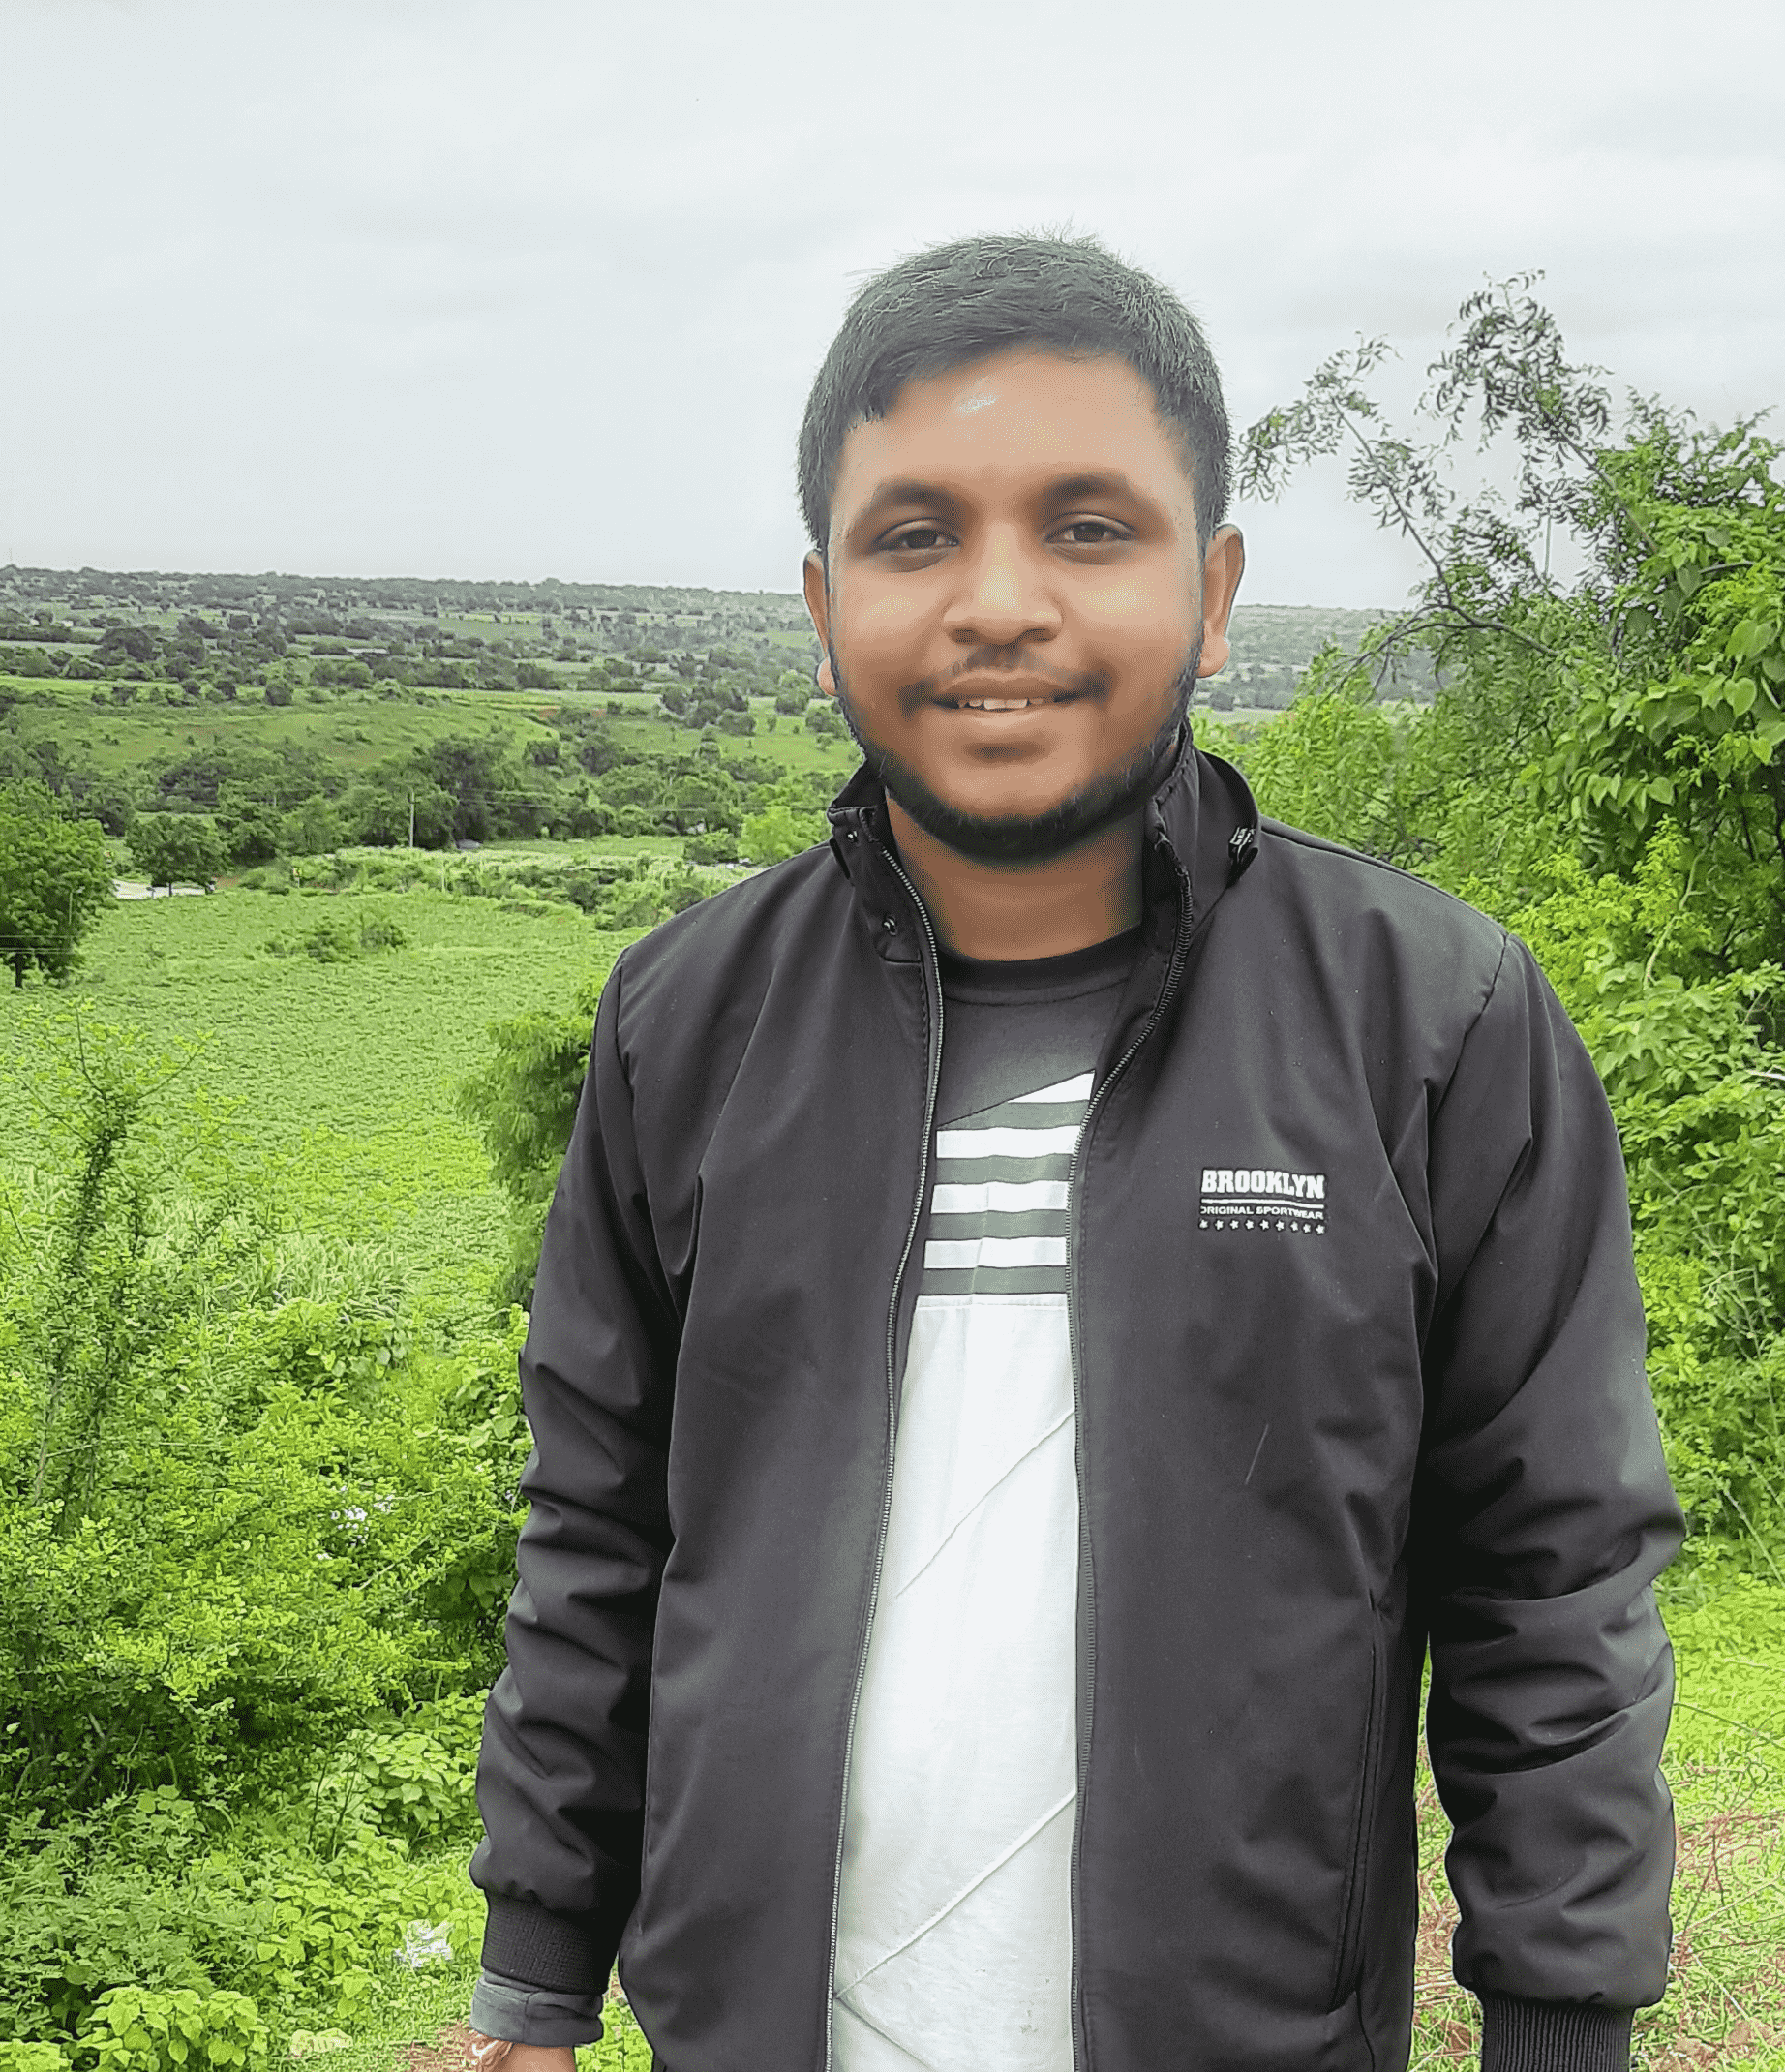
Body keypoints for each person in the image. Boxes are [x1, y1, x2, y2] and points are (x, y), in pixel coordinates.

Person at [465, 235, 1681, 2072]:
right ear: (822, 606)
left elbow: (1552, 1577)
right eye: (915, 536)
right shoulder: (682, 1024)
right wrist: (536, 1972)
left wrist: (1562, 2024)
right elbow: (600, 1531)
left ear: (1214, 591)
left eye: (1090, 528)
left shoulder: (1429, 1022)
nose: (999, 603)